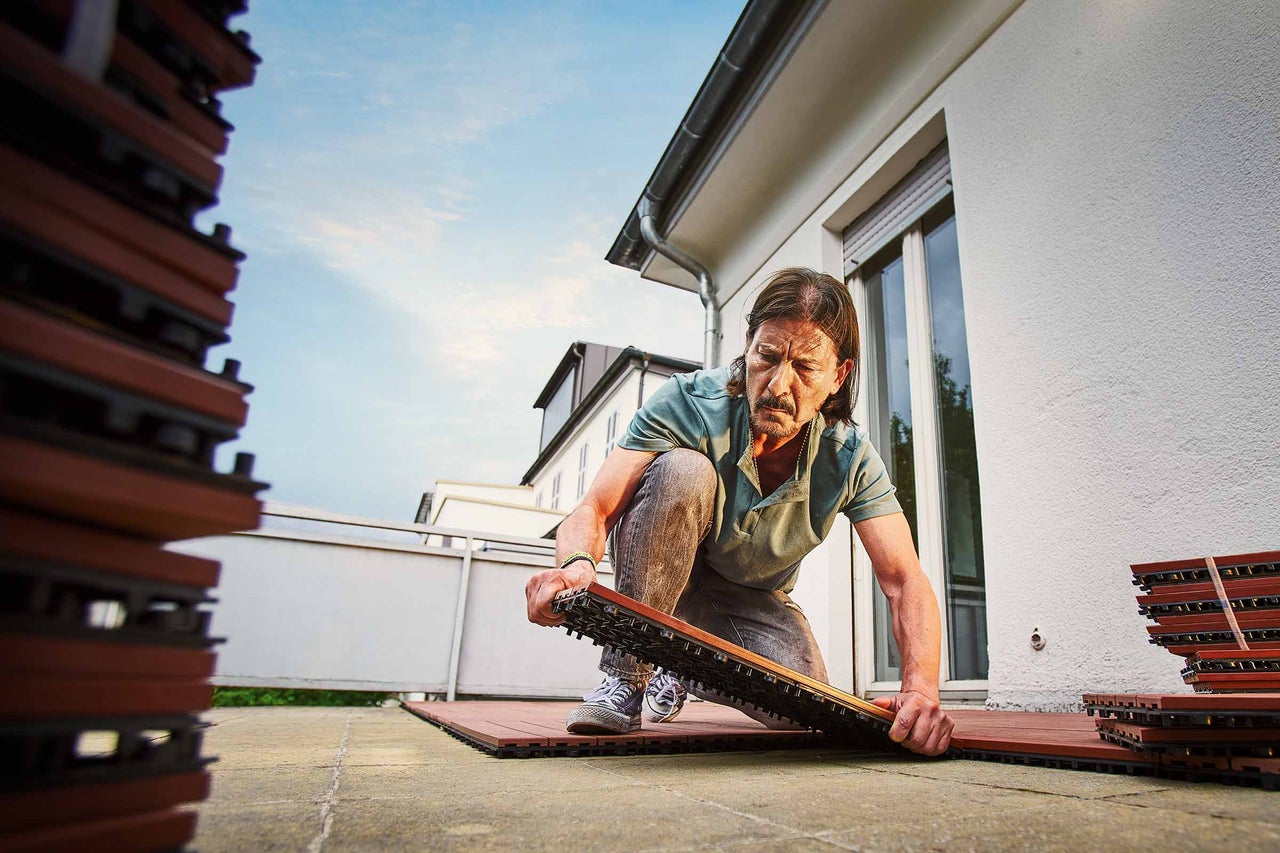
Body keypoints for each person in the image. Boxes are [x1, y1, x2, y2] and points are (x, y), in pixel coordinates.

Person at [525, 267, 953, 756]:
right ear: (748, 344)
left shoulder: (849, 455)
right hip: (663, 576)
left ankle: (677, 660)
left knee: (801, 708)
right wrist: (573, 565)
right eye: (766, 356)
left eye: (805, 368)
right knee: (684, 471)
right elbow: (596, 508)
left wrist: (921, 690)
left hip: (748, 599)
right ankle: (627, 679)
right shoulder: (688, 403)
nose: (776, 385)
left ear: (839, 376)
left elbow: (903, 579)